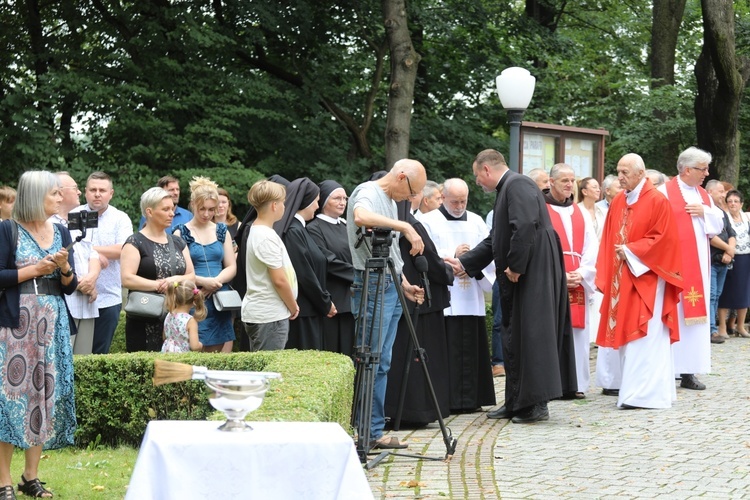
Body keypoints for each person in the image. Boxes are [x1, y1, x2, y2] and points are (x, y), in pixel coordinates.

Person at [448, 149, 576, 424]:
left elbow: (526, 227)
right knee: (516, 333)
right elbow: (498, 237)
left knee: (533, 333)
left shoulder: (517, 184)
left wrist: (517, 266)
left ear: (486, 170)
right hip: (527, 267)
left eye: (477, 177)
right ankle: (517, 401)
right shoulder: (509, 187)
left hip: (533, 269)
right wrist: (465, 262)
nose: (478, 183)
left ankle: (536, 403)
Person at [0, 171, 78, 499]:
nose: (61, 199)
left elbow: (71, 286)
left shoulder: (61, 230)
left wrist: (63, 268)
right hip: (16, 326)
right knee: (10, 399)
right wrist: (36, 268)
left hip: (53, 324)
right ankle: (2, 481)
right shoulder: (8, 230)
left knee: (44, 396)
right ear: (36, 196)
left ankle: (30, 477)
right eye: (55, 194)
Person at [347, 160, 426, 449]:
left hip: (390, 283)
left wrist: (403, 283)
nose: (408, 198)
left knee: (383, 361)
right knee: (370, 359)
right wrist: (404, 225)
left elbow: (390, 250)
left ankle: (374, 430)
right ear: (401, 176)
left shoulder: (391, 201)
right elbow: (360, 217)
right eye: (411, 192)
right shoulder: (367, 191)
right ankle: (364, 433)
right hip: (371, 284)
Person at [596, 153, 683, 409]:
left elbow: (665, 241)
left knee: (646, 335)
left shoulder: (657, 201)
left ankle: (645, 395)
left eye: (625, 173)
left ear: (640, 173)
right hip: (622, 278)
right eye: (619, 172)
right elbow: (608, 239)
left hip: (648, 278)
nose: (620, 178)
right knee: (626, 332)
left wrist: (632, 251)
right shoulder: (620, 200)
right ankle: (633, 390)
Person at [420, 178, 496, 412]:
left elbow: (489, 251)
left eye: (463, 201)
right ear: (443, 197)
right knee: (446, 347)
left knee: (471, 346)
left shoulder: (476, 221)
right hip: (446, 295)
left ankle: (471, 399)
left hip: (471, 292)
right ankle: (447, 400)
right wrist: (453, 257)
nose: (459, 205)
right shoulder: (428, 220)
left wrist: (470, 264)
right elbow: (426, 252)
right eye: (454, 201)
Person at [658, 147, 723, 391]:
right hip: (672, 266)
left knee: (695, 321)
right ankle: (668, 367)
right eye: (702, 168)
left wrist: (704, 211)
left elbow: (718, 224)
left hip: (698, 268)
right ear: (687, 170)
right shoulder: (663, 192)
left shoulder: (703, 196)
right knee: (672, 314)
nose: (707, 173)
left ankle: (689, 371)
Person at [384, 201, 453, 426]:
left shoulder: (389, 226)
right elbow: (430, 261)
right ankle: (419, 411)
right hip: (420, 301)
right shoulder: (412, 227)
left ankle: (400, 410)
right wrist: (448, 271)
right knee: (418, 360)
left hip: (400, 299)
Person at [544, 164, 598, 399]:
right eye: (563, 180)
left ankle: (576, 384)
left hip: (577, 278)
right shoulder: (541, 209)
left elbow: (591, 247)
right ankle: (553, 385)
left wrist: (583, 273)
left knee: (577, 335)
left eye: (571, 180)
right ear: (551, 182)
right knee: (552, 330)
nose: (568, 184)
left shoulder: (581, 212)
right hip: (552, 278)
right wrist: (559, 274)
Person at [121, 187, 195, 352]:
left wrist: (174, 280)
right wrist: (159, 285)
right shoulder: (134, 241)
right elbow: (127, 279)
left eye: (172, 209)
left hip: (175, 318)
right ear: (149, 212)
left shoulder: (177, 242)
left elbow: (192, 275)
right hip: (144, 317)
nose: (172, 213)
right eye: (165, 209)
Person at [174, 177, 237, 352]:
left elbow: (231, 266)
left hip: (219, 298)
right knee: (194, 348)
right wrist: (203, 282)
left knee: (217, 352)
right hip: (193, 296)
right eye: (202, 209)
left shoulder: (221, 230)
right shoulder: (181, 232)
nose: (207, 214)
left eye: (211, 209)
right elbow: (180, 270)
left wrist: (215, 282)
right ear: (193, 204)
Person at [73, 172, 133, 354]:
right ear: (85, 192)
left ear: (111, 193)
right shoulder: (74, 215)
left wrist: (91, 251)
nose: (97, 194)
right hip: (76, 296)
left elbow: (123, 250)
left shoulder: (120, 218)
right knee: (73, 353)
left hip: (108, 297)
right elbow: (66, 248)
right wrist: (96, 253)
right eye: (93, 190)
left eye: (102, 190)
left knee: (99, 353)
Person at [275, 178, 335, 350]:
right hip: (303, 313)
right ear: (307, 202)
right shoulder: (294, 231)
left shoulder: (299, 229)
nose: (317, 206)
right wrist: (325, 302)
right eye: (316, 201)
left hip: (309, 310)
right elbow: (304, 274)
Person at [241, 180, 299, 351]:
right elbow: (279, 280)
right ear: (274, 205)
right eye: (282, 203)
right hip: (269, 316)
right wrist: (292, 305)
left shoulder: (258, 230)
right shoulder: (265, 236)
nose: (284, 207)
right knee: (268, 373)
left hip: (265, 314)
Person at [306, 180, 355, 355]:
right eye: (337, 198)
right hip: (333, 299)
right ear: (324, 200)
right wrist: (358, 273)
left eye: (345, 198)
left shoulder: (347, 226)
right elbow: (327, 260)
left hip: (353, 299)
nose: (343, 202)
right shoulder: (313, 228)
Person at [54, 172, 100, 355]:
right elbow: (55, 261)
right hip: (67, 301)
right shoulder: (47, 223)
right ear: (60, 192)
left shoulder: (82, 218)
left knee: (83, 362)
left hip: (87, 303)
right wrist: (82, 284)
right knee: (63, 360)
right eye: (75, 188)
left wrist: (92, 278)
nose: (80, 192)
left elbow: (93, 253)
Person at [706, 181, 735, 344]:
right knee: (710, 296)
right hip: (712, 260)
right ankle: (711, 330)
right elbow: (710, 236)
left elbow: (731, 232)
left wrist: (729, 251)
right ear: (709, 192)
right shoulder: (706, 211)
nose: (724, 195)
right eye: (721, 191)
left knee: (716, 295)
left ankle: (713, 328)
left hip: (724, 261)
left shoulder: (721, 212)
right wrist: (728, 250)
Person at [718, 190, 750, 339]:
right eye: (730, 201)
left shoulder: (747, 217)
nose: (733, 204)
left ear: (741, 204)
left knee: (744, 292)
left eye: (736, 201)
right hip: (731, 257)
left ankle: (740, 326)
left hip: (746, 258)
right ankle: (723, 326)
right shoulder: (724, 217)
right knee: (727, 292)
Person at [162, 280, 206, 353]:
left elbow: (164, 336)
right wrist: (201, 345)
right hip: (181, 357)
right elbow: (194, 346)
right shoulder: (190, 320)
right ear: (194, 300)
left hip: (166, 353)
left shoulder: (169, 314)